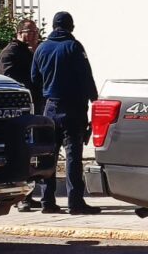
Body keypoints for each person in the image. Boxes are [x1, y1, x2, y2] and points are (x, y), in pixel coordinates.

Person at [30, 11, 100, 215]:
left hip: (50, 108)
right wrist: (95, 100)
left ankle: (47, 201)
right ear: (71, 27)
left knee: (49, 156)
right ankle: (75, 202)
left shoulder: (41, 48)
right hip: (73, 108)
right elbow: (86, 77)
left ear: (53, 27)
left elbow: (34, 78)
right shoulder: (74, 47)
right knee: (73, 156)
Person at [0, 18, 44, 212]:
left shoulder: (32, 52)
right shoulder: (10, 53)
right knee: (19, 153)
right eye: (28, 32)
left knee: (32, 154)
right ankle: (18, 198)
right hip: (18, 112)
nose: (33, 36)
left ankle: (28, 195)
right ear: (18, 33)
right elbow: (10, 80)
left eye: (35, 32)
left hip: (34, 108)